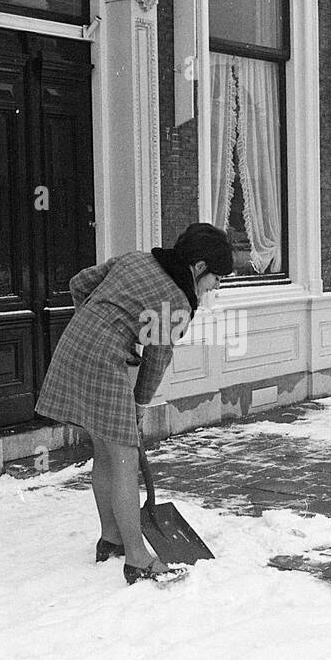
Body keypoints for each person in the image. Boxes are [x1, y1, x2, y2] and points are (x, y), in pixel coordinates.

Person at [35, 223, 233, 584]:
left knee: (106, 453)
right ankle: (138, 559)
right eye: (216, 277)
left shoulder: (135, 260)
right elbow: (157, 359)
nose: (216, 286)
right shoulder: (175, 301)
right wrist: (139, 404)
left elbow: (80, 283)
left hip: (73, 348)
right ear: (199, 267)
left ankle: (110, 539)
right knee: (125, 459)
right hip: (104, 363)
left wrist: (101, 324)